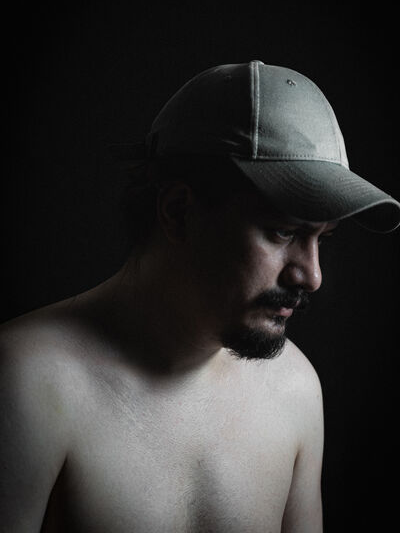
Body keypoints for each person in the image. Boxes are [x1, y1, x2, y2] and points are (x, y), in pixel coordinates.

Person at [1, 60, 399, 533]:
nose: (311, 276)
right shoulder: (26, 384)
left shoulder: (295, 390)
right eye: (282, 231)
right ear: (178, 211)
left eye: (323, 238)